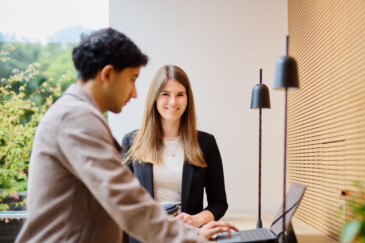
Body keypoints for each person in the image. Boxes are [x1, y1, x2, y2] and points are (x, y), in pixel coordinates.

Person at [16, 28, 237, 243]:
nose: (135, 92)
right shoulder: (76, 119)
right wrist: (193, 235)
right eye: (132, 79)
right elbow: (127, 202)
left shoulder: (77, 115)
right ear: (108, 74)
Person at [122, 65, 228, 243]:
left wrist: (197, 220)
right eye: (165, 94)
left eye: (180, 94)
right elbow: (123, 203)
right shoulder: (132, 142)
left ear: (188, 99)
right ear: (154, 98)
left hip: (189, 237)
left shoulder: (206, 143)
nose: (173, 102)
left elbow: (219, 202)